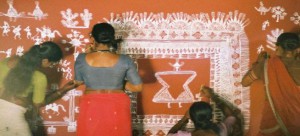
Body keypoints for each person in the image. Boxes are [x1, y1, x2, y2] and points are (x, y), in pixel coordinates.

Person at [73, 22, 143, 136]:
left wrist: (89, 54)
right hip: (117, 104)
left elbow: (78, 81)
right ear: (112, 38)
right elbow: (137, 87)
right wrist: (119, 81)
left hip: (92, 104)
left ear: (92, 37)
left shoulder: (81, 58)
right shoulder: (125, 60)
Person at [0, 41, 76, 136]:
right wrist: (63, 90)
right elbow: (38, 104)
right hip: (13, 115)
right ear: (45, 60)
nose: (52, 66)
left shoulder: (7, 61)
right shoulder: (39, 77)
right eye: (52, 64)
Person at [241, 32, 300, 136]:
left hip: (273, 126)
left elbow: (245, 82)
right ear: (298, 50)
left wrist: (257, 63)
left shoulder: (266, 65)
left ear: (278, 48)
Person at [167, 85, 243, 136]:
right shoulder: (223, 130)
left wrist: (184, 119)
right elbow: (232, 116)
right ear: (212, 116)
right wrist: (213, 96)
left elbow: (169, 134)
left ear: (190, 117)